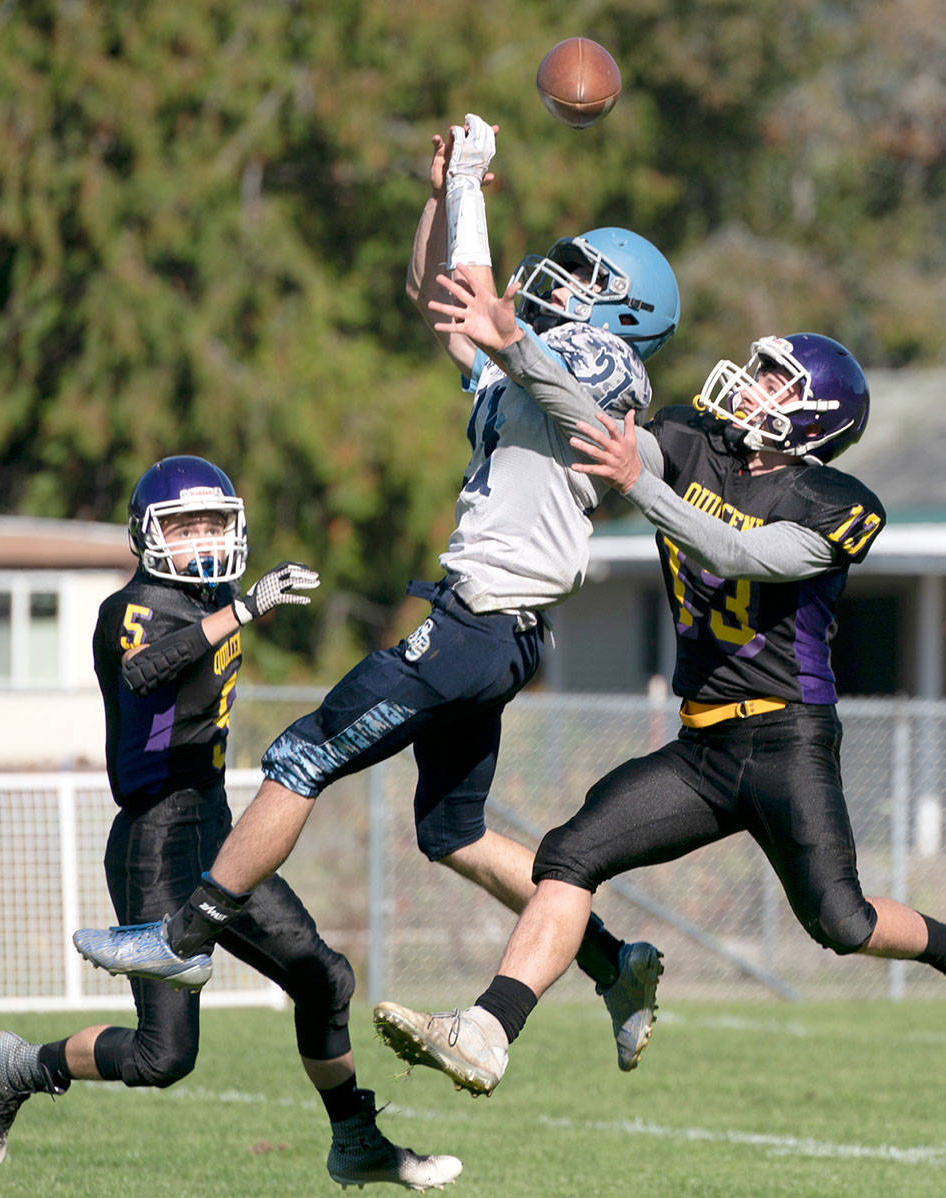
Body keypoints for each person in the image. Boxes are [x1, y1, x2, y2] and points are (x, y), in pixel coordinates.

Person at [72, 116, 681, 1074]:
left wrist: (481, 203)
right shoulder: (531, 366)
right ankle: (615, 962)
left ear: (626, 314)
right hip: (495, 628)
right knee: (457, 833)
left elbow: (513, 335)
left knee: (301, 753)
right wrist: (450, 191)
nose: (559, 281)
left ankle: (183, 938)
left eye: (586, 281)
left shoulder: (602, 365)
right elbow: (449, 301)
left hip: (478, 626)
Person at [368, 270, 946, 1097]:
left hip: (786, 741)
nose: (753, 382)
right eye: (760, 368)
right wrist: (514, 344)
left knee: (844, 923)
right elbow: (587, 421)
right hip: (702, 746)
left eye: (777, 379)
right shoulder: (696, 439)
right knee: (568, 854)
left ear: (814, 416)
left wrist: (641, 486)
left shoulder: (835, 501)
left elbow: (744, 554)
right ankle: (487, 1032)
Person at [0, 455, 461, 1191]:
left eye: (212, 523)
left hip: (217, 830)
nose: (201, 538)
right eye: (184, 524)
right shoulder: (132, 607)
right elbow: (146, 671)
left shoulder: (219, 593)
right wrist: (244, 610)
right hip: (152, 841)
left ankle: (355, 1138)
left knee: (324, 977)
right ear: (147, 535)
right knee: (162, 1058)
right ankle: (21, 1067)